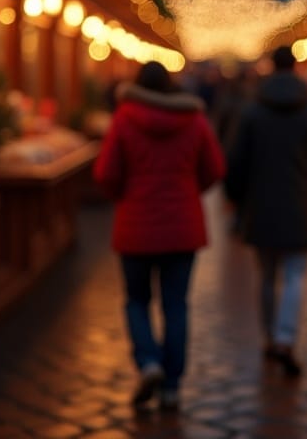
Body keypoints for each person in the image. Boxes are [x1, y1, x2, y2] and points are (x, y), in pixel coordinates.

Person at [93, 61, 225, 411]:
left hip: (135, 227)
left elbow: (106, 172)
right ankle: (172, 385)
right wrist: (187, 191)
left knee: (136, 300)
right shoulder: (194, 120)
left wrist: (125, 195)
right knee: (176, 305)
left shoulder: (124, 119)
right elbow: (214, 169)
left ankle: (149, 361)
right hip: (182, 228)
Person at [224, 45, 307, 376]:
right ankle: (287, 338)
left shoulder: (252, 113)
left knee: (266, 275)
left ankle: (270, 337)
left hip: (261, 205)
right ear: (296, 66)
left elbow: (236, 162)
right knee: (295, 276)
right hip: (302, 205)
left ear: (270, 68)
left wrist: (235, 198)